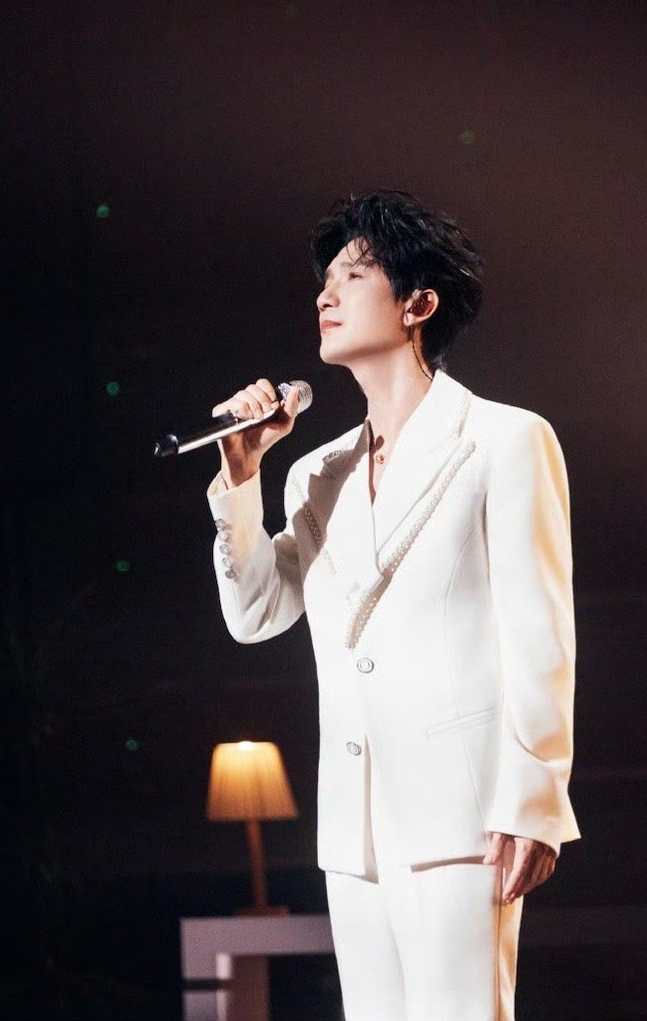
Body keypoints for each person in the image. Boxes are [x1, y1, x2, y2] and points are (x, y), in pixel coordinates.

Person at [204, 189, 578, 1020]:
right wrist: (241, 478)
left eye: (353, 275)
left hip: (466, 813)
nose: (325, 295)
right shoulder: (316, 473)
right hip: (355, 822)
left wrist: (533, 799)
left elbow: (541, 635)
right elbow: (255, 614)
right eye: (324, 280)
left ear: (418, 304)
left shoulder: (505, 439)